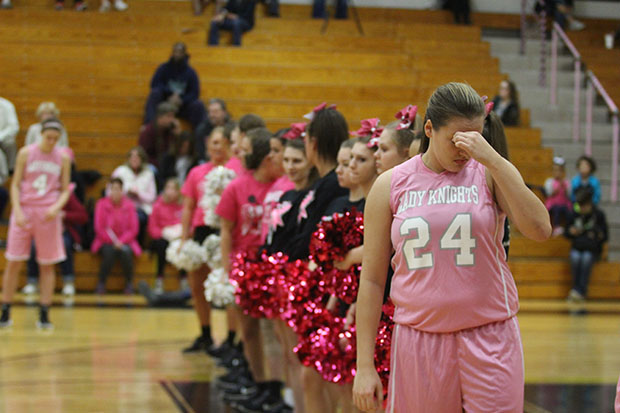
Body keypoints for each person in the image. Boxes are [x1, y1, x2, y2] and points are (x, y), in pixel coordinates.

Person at [353, 82, 551, 412]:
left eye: (473, 139)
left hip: (491, 335)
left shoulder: (488, 174)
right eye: (456, 139)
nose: (465, 149)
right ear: (429, 129)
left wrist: (495, 161)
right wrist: (364, 366)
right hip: (419, 339)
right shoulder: (389, 185)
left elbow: (540, 229)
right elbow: (372, 280)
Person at [216, 127, 282, 407]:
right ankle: (259, 383)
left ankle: (278, 389)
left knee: (274, 332)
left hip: (274, 267)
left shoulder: (282, 186)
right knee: (250, 330)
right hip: (245, 265)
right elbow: (226, 231)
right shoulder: (236, 187)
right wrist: (227, 269)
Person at [0, 118, 72, 329]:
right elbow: (15, 185)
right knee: (13, 262)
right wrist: (18, 211)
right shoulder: (26, 153)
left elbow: (66, 189)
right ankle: (5, 309)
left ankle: (44, 312)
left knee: (47, 264)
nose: (51, 142)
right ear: (41, 134)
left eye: (55, 139)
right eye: (48, 137)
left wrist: (56, 207)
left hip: (48, 213)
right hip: (24, 210)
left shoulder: (63, 158)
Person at [180, 125, 244, 353]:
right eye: (213, 142)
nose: (216, 147)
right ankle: (205, 334)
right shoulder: (196, 172)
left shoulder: (235, 168)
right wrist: (183, 237)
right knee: (197, 286)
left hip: (225, 229)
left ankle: (231, 338)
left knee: (226, 284)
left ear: (228, 144)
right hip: (200, 230)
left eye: (220, 142)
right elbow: (188, 206)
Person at [22, 186, 88, 297]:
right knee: (33, 245)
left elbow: (83, 216)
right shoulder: (37, 193)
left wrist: (65, 215)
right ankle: (32, 282)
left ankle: (68, 281)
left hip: (61, 232)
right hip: (41, 232)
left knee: (65, 244)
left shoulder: (65, 194)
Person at [91, 178, 141, 294]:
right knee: (109, 252)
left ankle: (129, 283)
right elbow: (99, 228)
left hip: (125, 241)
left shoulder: (129, 205)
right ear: (109, 190)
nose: (115, 192)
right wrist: (113, 241)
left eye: (118, 189)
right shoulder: (101, 204)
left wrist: (121, 241)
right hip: (105, 240)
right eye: (112, 189)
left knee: (126, 252)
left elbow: (133, 229)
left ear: (122, 191)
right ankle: (101, 282)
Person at [143, 43, 207, 131]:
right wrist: (170, 94)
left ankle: (201, 134)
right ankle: (148, 127)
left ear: (185, 54)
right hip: (165, 103)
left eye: (180, 52)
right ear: (172, 53)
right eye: (175, 51)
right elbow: (154, 84)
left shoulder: (191, 73)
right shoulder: (163, 68)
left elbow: (195, 93)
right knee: (155, 93)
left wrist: (181, 100)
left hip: (182, 105)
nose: (177, 54)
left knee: (198, 105)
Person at [565, 187, 608, 302]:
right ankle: (576, 288)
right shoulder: (574, 214)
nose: (582, 208)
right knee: (575, 258)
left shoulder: (598, 215)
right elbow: (566, 233)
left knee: (586, 258)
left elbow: (604, 236)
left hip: (591, 250)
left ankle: (580, 291)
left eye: (584, 205)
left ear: (590, 203)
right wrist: (571, 231)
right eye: (580, 205)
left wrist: (597, 235)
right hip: (577, 247)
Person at [111, 146, 157, 244]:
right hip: (121, 206)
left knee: (138, 218)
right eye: (132, 157)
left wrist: (139, 194)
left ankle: (137, 245)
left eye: (137, 157)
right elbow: (110, 191)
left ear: (142, 159)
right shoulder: (120, 171)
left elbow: (152, 197)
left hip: (141, 208)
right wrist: (126, 193)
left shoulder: (148, 174)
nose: (134, 159)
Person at [148, 178, 186, 294]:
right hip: (162, 238)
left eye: (173, 188)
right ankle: (159, 279)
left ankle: (184, 280)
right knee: (161, 245)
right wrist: (164, 233)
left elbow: (189, 225)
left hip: (179, 238)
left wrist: (180, 233)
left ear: (178, 191)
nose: (170, 191)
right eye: (168, 188)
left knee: (185, 246)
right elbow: (152, 227)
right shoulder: (158, 205)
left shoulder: (183, 206)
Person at [139, 102, 181, 169]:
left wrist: (178, 136)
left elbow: (178, 152)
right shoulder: (148, 131)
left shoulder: (171, 130)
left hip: (167, 165)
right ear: (159, 117)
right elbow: (143, 155)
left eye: (173, 116)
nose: (172, 120)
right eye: (169, 116)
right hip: (152, 165)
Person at [545, 156, 572, 236]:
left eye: (560, 171)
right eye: (555, 171)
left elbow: (569, 195)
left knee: (568, 212)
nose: (558, 173)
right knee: (557, 210)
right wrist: (558, 187)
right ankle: (556, 227)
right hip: (553, 204)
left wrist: (565, 187)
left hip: (564, 203)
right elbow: (549, 193)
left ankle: (568, 228)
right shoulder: (550, 181)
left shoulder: (566, 182)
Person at [0, 96, 18, 172]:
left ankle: (11, 170)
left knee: (10, 143)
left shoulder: (6, 105)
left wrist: (1, 136)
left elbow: (13, 126)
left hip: (2, 137)